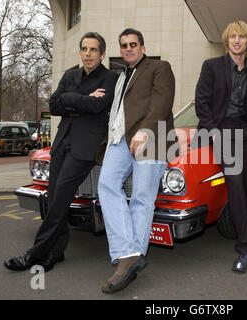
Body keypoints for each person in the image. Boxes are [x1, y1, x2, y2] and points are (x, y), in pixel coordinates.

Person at [4, 32, 118, 272]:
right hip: (61, 143)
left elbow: (98, 106)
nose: (88, 53)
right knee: (54, 197)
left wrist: (71, 100)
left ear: (102, 54)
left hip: (85, 147)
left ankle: (34, 254)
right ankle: (56, 251)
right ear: (80, 52)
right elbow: (55, 105)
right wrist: (81, 99)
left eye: (93, 50)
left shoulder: (110, 78)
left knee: (59, 201)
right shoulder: (70, 75)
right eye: (84, 49)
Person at [193, 21, 247, 273]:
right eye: (232, 36)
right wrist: (214, 133)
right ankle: (245, 248)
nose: (236, 40)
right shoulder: (211, 67)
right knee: (237, 190)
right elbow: (202, 102)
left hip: (246, 133)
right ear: (226, 41)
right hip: (222, 133)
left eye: (241, 37)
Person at [98, 28, 175, 293]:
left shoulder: (159, 67)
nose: (128, 48)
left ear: (142, 47)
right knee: (106, 185)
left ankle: (127, 261)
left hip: (151, 137)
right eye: (124, 45)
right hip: (120, 140)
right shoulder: (121, 76)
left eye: (133, 44)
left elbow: (162, 101)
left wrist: (146, 130)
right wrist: (110, 141)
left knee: (142, 198)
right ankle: (128, 252)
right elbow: (118, 111)